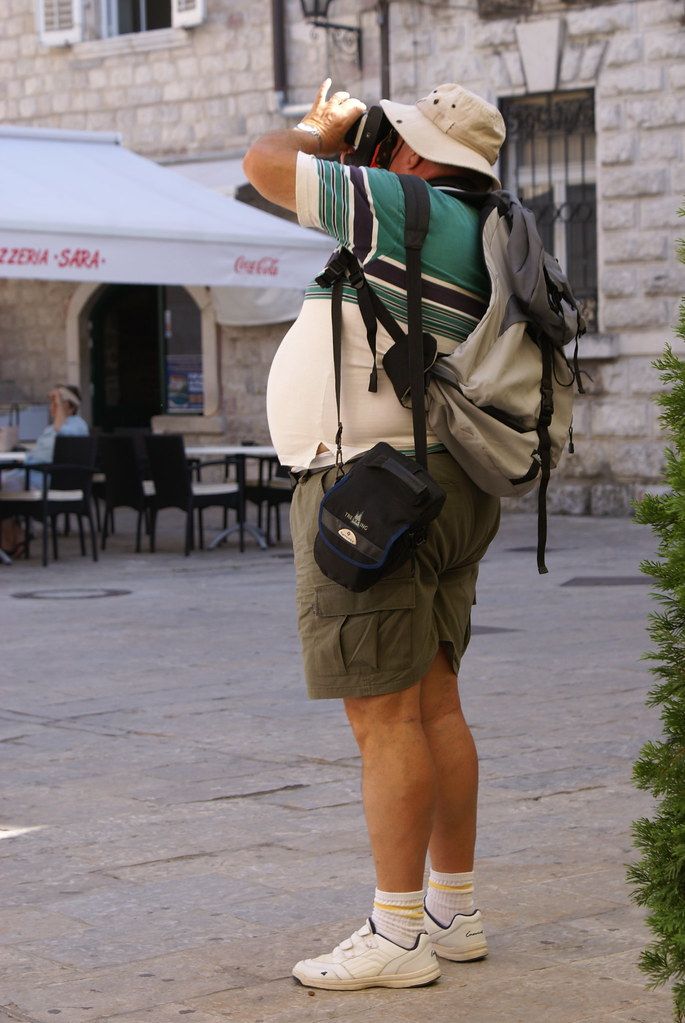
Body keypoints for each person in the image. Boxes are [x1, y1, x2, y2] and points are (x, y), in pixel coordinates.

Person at [243, 80, 506, 991]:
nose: (386, 144)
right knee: (433, 704)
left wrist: (327, 131)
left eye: (399, 136)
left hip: (371, 487)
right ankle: (452, 908)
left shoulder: (410, 203)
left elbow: (264, 165)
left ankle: (396, 932)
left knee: (385, 715)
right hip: (436, 483)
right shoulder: (480, 221)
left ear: (426, 156)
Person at [0, 385, 89, 553]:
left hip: (49, 478)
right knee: (4, 485)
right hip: (32, 472)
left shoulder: (76, 426)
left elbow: (60, 435)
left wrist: (60, 399)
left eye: (56, 404)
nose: (52, 408)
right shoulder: (51, 428)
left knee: (3, 485)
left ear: (69, 406)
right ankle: (14, 537)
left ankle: (11, 540)